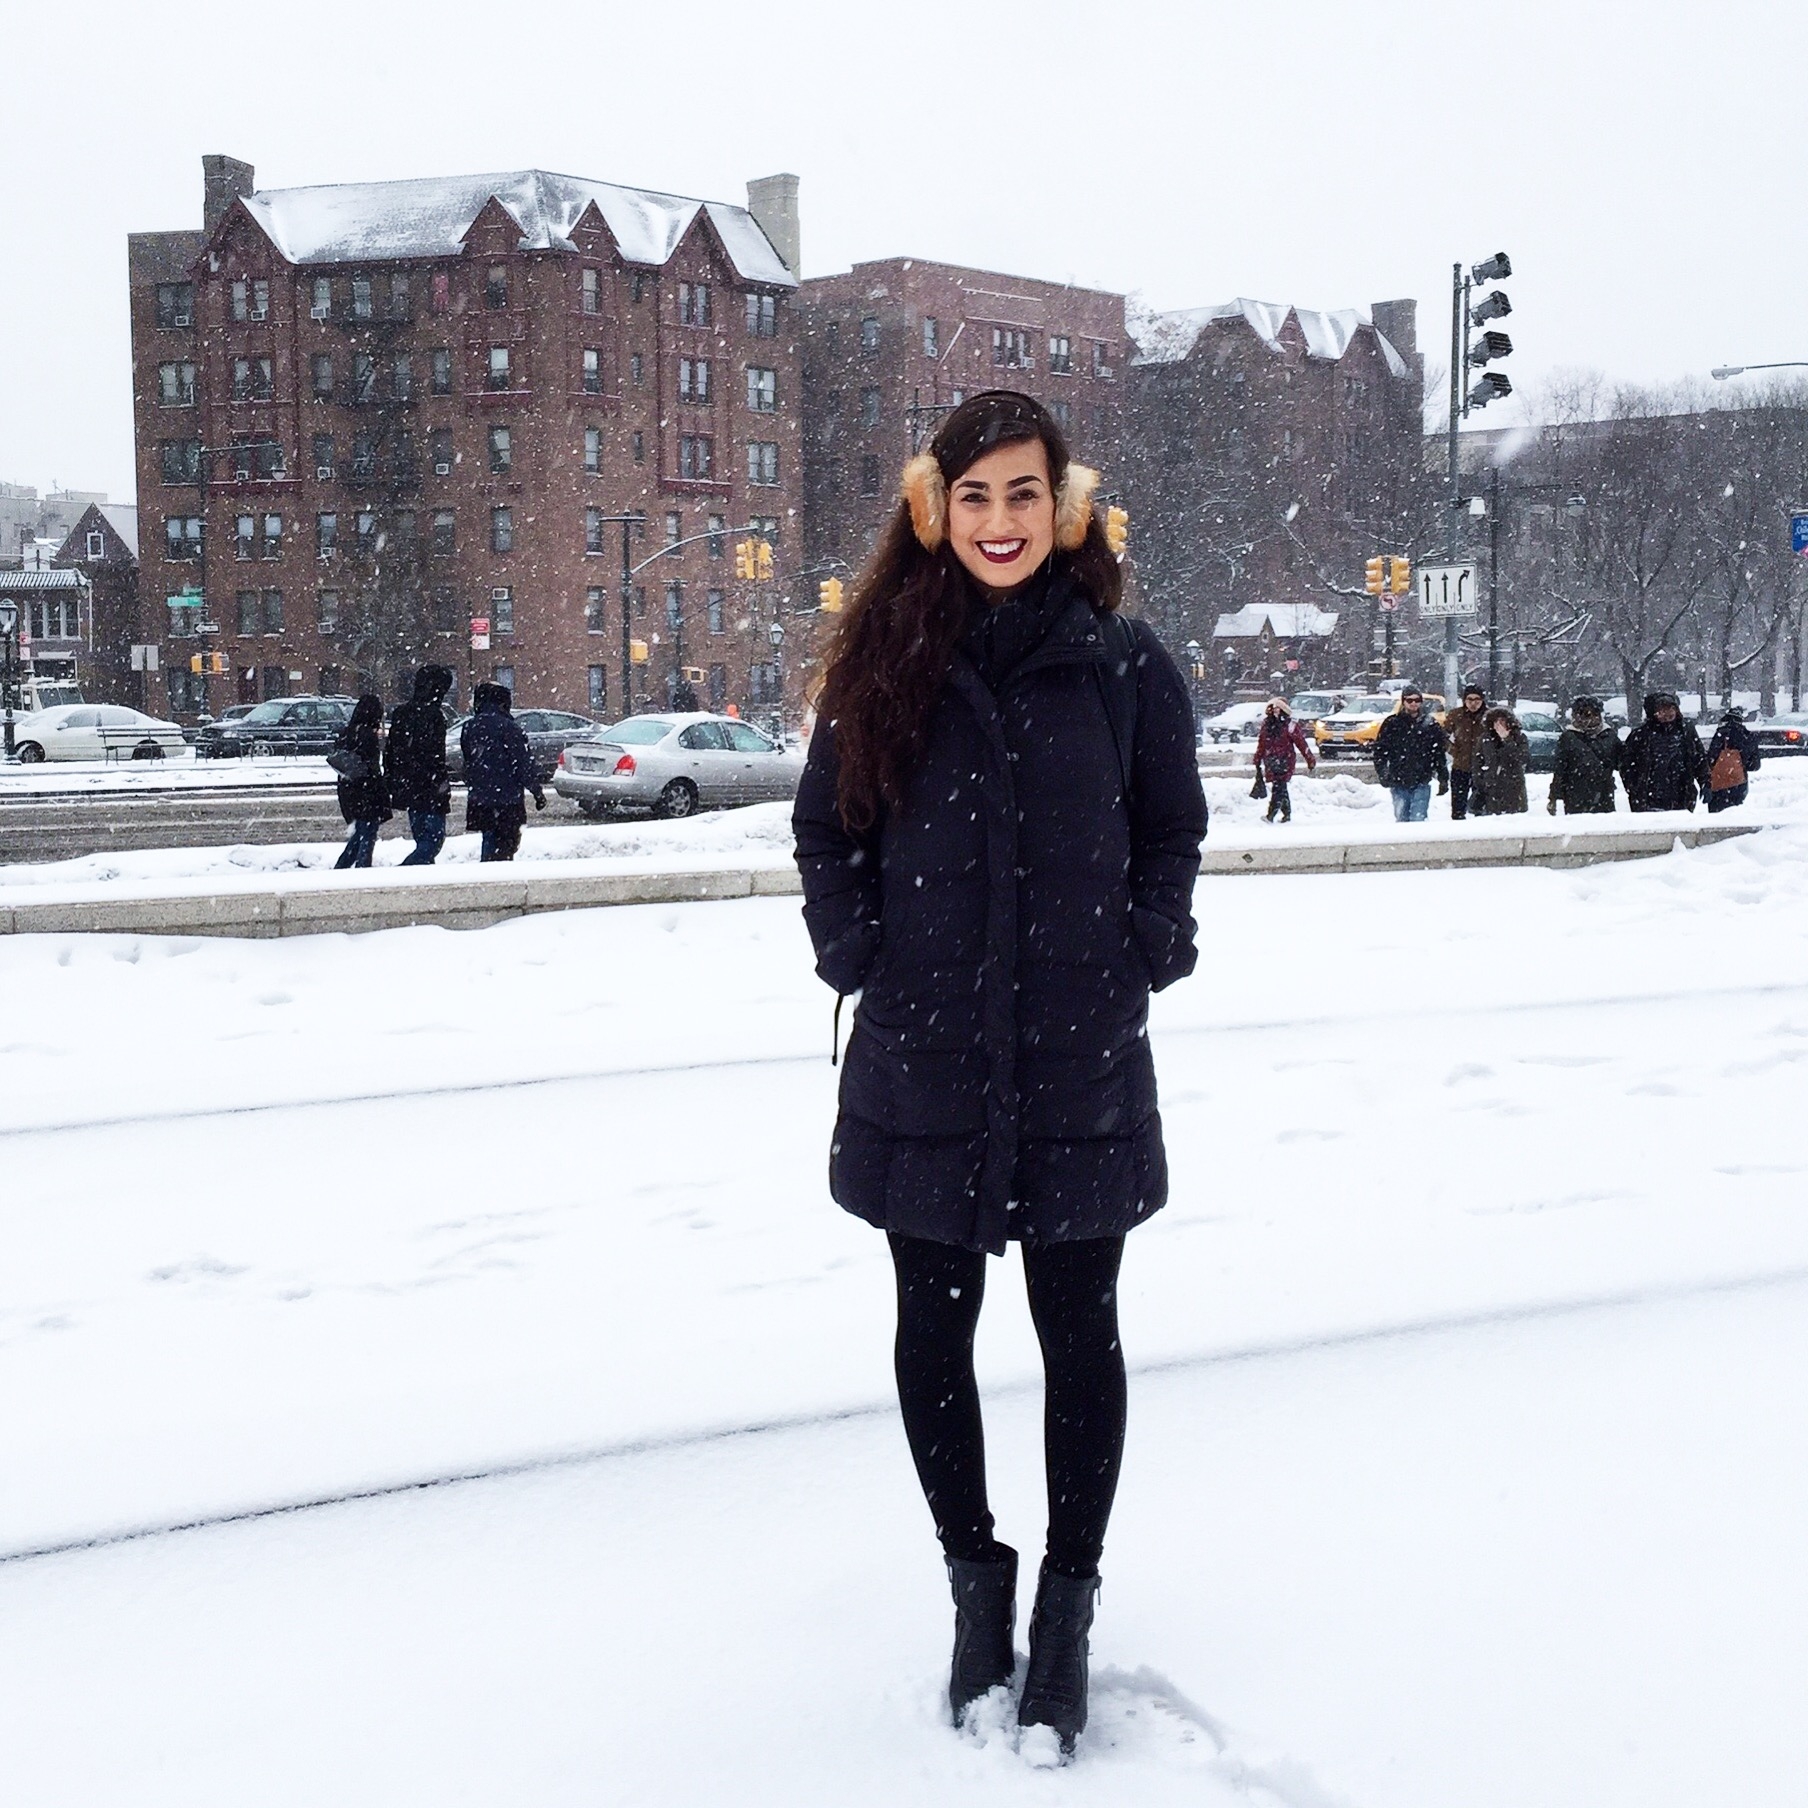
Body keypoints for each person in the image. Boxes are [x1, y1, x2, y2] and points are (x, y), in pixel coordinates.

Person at [792, 391, 1206, 1757]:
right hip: (929, 1052)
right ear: (934, 509)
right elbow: (826, 832)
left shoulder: (1125, 668)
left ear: (1064, 505)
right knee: (934, 1318)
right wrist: (862, 951)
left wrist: (1141, 948)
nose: (1000, 522)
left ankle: (1068, 1612)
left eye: (1024, 494)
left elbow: (1170, 829)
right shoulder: (883, 666)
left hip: (1080, 1048)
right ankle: (979, 1588)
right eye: (974, 497)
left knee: (1079, 1325)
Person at [460, 681, 544, 861]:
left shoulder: (469, 727)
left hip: (480, 795)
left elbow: (468, 760)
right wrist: (537, 792)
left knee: (488, 837)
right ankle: (497, 875)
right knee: (506, 843)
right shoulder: (510, 728)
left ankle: (488, 871)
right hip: (507, 797)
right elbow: (524, 764)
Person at [385, 664, 455, 864]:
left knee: (423, 838)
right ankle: (406, 872)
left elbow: (391, 750)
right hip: (429, 787)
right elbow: (435, 756)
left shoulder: (403, 713)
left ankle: (419, 873)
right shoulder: (434, 716)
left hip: (410, 785)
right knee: (432, 841)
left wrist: (393, 776)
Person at [330, 694, 391, 869]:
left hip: (349, 790)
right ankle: (361, 870)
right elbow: (371, 767)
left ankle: (342, 869)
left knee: (360, 835)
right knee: (367, 836)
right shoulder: (368, 736)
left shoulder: (346, 733)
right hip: (367, 791)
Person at [1620, 691, 1708, 812]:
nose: (1668, 713)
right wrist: (1634, 788)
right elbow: (1626, 765)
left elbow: (1699, 758)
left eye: (1671, 709)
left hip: (1681, 796)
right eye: (1662, 710)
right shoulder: (1640, 735)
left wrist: (1705, 782)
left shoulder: (1686, 731)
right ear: (1653, 713)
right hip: (1649, 798)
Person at [1372, 688, 1448, 822]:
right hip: (1398, 779)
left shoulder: (1431, 724)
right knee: (1402, 819)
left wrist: (1443, 777)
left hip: (1422, 779)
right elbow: (1380, 751)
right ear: (1403, 702)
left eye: (1417, 700)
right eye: (1409, 700)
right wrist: (1383, 773)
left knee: (1418, 819)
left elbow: (1438, 753)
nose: (1414, 703)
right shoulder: (1392, 723)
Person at [1548, 696, 1621, 814]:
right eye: (1585, 714)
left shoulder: (1609, 735)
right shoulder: (1568, 737)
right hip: (1575, 793)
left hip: (1603, 793)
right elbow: (1560, 768)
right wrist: (1554, 796)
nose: (1590, 719)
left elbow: (1622, 762)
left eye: (1595, 714)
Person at [1253, 695, 1315, 823]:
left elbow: (1301, 743)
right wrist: (1257, 758)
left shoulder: (1290, 725)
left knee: (1278, 787)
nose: (1275, 710)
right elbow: (1262, 743)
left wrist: (1310, 759)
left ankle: (1271, 815)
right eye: (1273, 707)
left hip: (1284, 761)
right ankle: (1287, 814)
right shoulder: (1267, 724)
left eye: (1278, 708)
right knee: (1281, 788)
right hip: (1271, 761)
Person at [1469, 706, 1529, 815]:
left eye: (1502, 720)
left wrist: (1507, 740)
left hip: (1513, 789)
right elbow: (1477, 762)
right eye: (1495, 721)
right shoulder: (1485, 739)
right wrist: (1481, 782)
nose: (1499, 724)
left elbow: (1522, 758)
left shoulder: (1519, 737)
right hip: (1491, 790)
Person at [1703, 705, 1762, 812]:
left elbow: (1711, 759)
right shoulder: (1748, 736)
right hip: (1739, 784)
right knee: (1734, 814)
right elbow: (1754, 766)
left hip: (1718, 783)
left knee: (1716, 817)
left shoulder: (1721, 734)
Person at [1445, 684, 1487, 819]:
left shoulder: (1489, 716)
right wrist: (1453, 750)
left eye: (1477, 700)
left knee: (1481, 808)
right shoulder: (1456, 715)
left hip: (1483, 768)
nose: (1473, 703)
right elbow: (1442, 736)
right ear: (1464, 700)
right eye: (1470, 699)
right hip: (1460, 766)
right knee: (1458, 807)